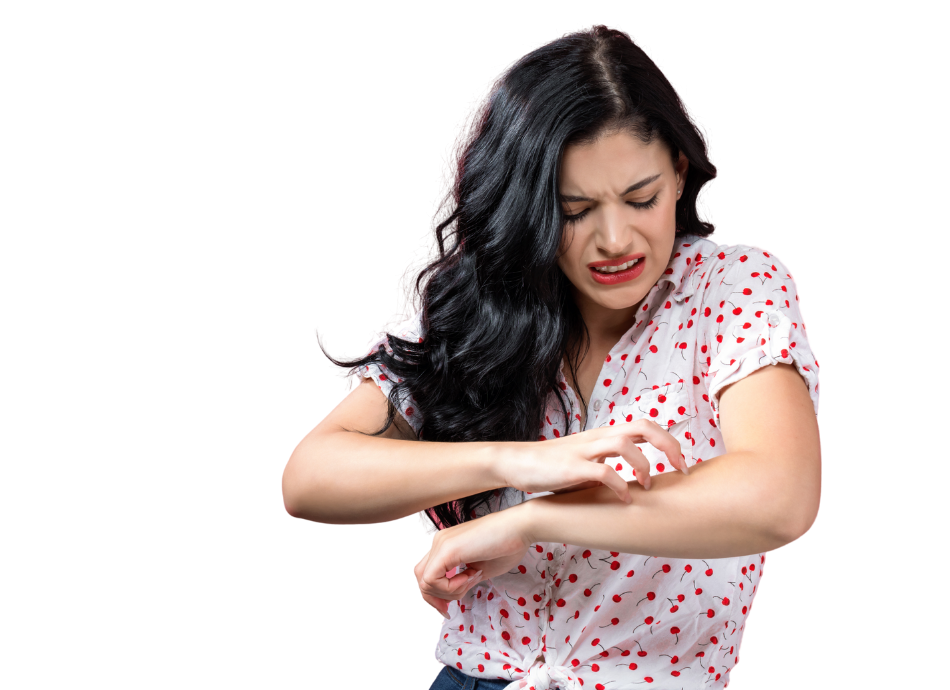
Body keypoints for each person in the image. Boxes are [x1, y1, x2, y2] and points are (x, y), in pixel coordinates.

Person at [282, 25, 821, 690]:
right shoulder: (485, 313)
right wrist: (520, 459)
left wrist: (532, 518)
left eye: (641, 197)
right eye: (574, 211)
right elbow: (309, 478)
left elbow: (779, 498)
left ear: (680, 174)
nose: (615, 238)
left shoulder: (731, 291)